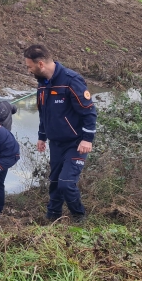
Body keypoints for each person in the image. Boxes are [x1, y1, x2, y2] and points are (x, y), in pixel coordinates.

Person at [23, 44, 97, 223]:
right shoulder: (42, 85)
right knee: (55, 181)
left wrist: (87, 139)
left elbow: (89, 112)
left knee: (66, 183)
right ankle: (52, 216)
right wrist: (42, 136)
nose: (28, 70)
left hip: (76, 143)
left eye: (29, 66)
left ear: (41, 64)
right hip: (56, 143)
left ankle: (79, 217)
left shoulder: (71, 81)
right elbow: (44, 113)